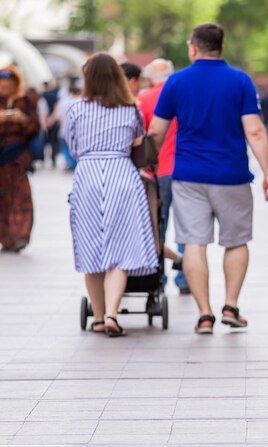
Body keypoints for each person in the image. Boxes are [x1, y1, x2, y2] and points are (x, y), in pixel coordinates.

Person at [148, 23, 268, 334]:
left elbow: (156, 132)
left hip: (189, 176)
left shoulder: (176, 82)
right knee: (236, 241)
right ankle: (230, 305)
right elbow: (255, 130)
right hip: (231, 175)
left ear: (193, 48)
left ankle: (204, 314)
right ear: (222, 47)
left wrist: (147, 167)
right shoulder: (240, 81)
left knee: (193, 242)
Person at [64, 53, 158, 337]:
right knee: (120, 249)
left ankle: (96, 316)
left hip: (88, 176)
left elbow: (73, 149)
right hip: (122, 176)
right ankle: (112, 315)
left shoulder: (75, 109)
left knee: (91, 248)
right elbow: (136, 143)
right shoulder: (130, 109)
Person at [138, 58, 190, 294]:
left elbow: (144, 138)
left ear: (149, 79)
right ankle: (186, 276)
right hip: (188, 171)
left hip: (157, 173)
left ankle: (159, 277)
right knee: (188, 227)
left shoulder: (144, 99)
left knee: (158, 225)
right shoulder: (186, 96)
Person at [0, 65, 40, 253]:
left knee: (20, 197)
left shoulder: (25, 101)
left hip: (17, 158)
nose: (5, 89)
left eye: (8, 86)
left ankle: (20, 236)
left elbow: (35, 126)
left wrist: (22, 120)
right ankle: (6, 238)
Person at [41, 81, 60, 167]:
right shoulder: (55, 94)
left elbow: (42, 110)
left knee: (45, 142)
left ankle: (44, 159)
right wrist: (52, 120)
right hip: (54, 121)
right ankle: (53, 160)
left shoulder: (43, 95)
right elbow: (57, 108)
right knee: (54, 142)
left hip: (45, 122)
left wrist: (46, 122)